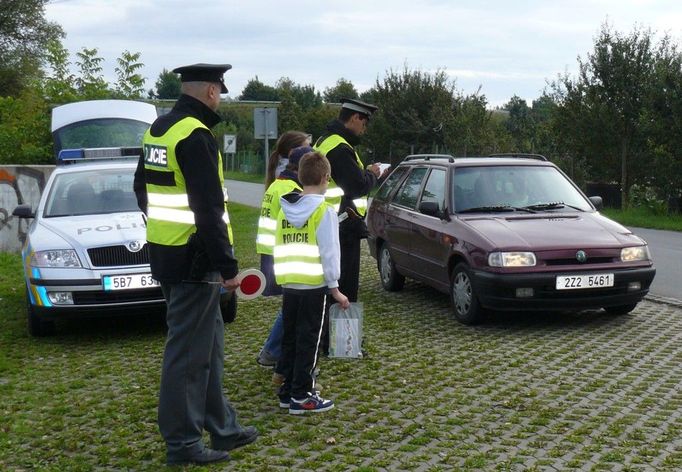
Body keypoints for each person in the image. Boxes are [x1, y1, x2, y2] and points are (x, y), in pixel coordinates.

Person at [133, 63, 257, 466]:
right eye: (219, 91)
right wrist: (227, 266)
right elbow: (208, 208)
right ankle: (183, 443)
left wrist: (163, 234)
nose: (220, 97)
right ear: (209, 92)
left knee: (210, 346)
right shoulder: (195, 135)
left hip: (168, 253)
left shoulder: (158, 129)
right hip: (194, 261)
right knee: (187, 354)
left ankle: (222, 426)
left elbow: (141, 188)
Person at [273, 151, 350, 414]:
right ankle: (302, 395)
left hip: (289, 284)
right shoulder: (324, 211)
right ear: (326, 178)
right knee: (310, 340)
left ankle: (287, 391)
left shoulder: (285, 210)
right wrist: (335, 288)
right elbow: (329, 252)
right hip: (313, 287)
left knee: (291, 338)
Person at [313, 98, 384, 354]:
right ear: (354, 118)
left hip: (333, 224)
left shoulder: (326, 141)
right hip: (343, 226)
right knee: (345, 288)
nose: (363, 130)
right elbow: (356, 185)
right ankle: (344, 344)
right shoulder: (339, 148)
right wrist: (372, 173)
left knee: (331, 287)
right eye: (363, 124)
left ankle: (328, 341)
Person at [255, 145, 311, 368]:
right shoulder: (291, 190)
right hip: (283, 254)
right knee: (292, 305)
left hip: (272, 251)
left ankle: (274, 351)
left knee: (291, 304)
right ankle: (272, 351)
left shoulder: (279, 183)